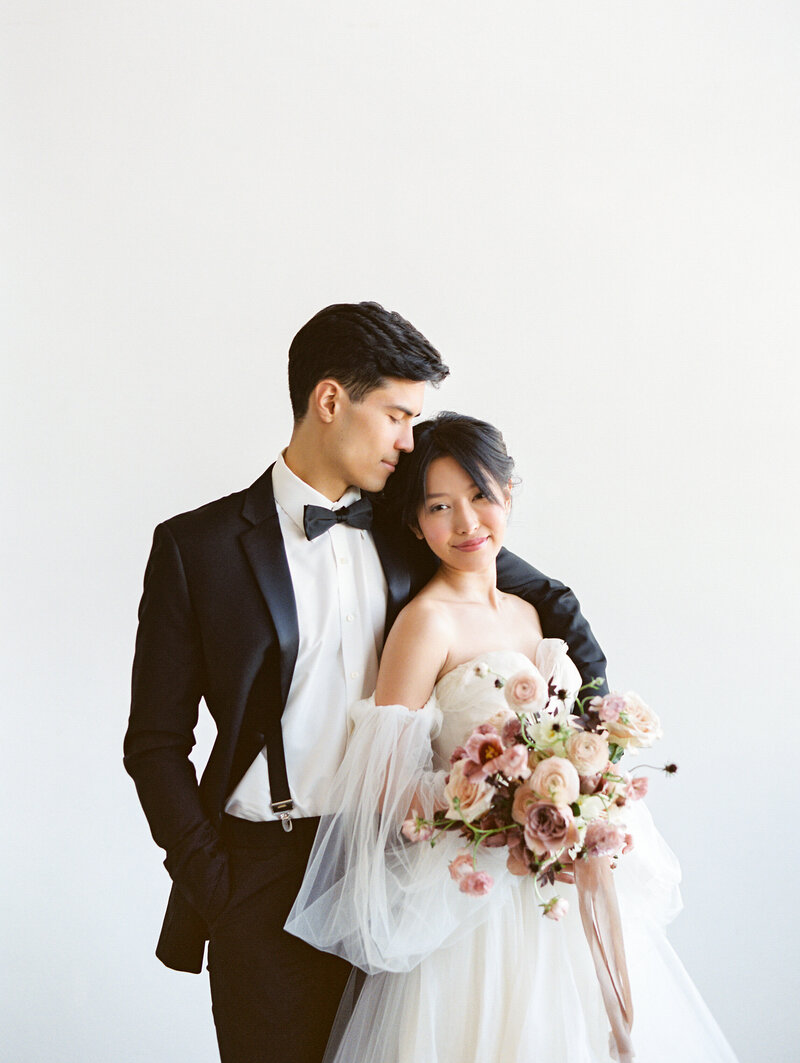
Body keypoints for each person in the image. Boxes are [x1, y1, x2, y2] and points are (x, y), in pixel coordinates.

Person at [124, 304, 609, 1063]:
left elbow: (547, 600)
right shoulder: (198, 548)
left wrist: (579, 743)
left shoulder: (413, 522)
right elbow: (154, 743)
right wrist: (213, 881)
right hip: (264, 876)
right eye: (396, 414)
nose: (410, 441)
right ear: (329, 401)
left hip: (404, 872)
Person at [286, 412, 740, 1063]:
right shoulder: (424, 625)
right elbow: (383, 783)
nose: (467, 523)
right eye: (440, 506)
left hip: (559, 886)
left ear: (508, 493)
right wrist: (499, 800)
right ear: (416, 523)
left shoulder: (533, 613)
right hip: (472, 904)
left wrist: (585, 791)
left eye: (479, 496)